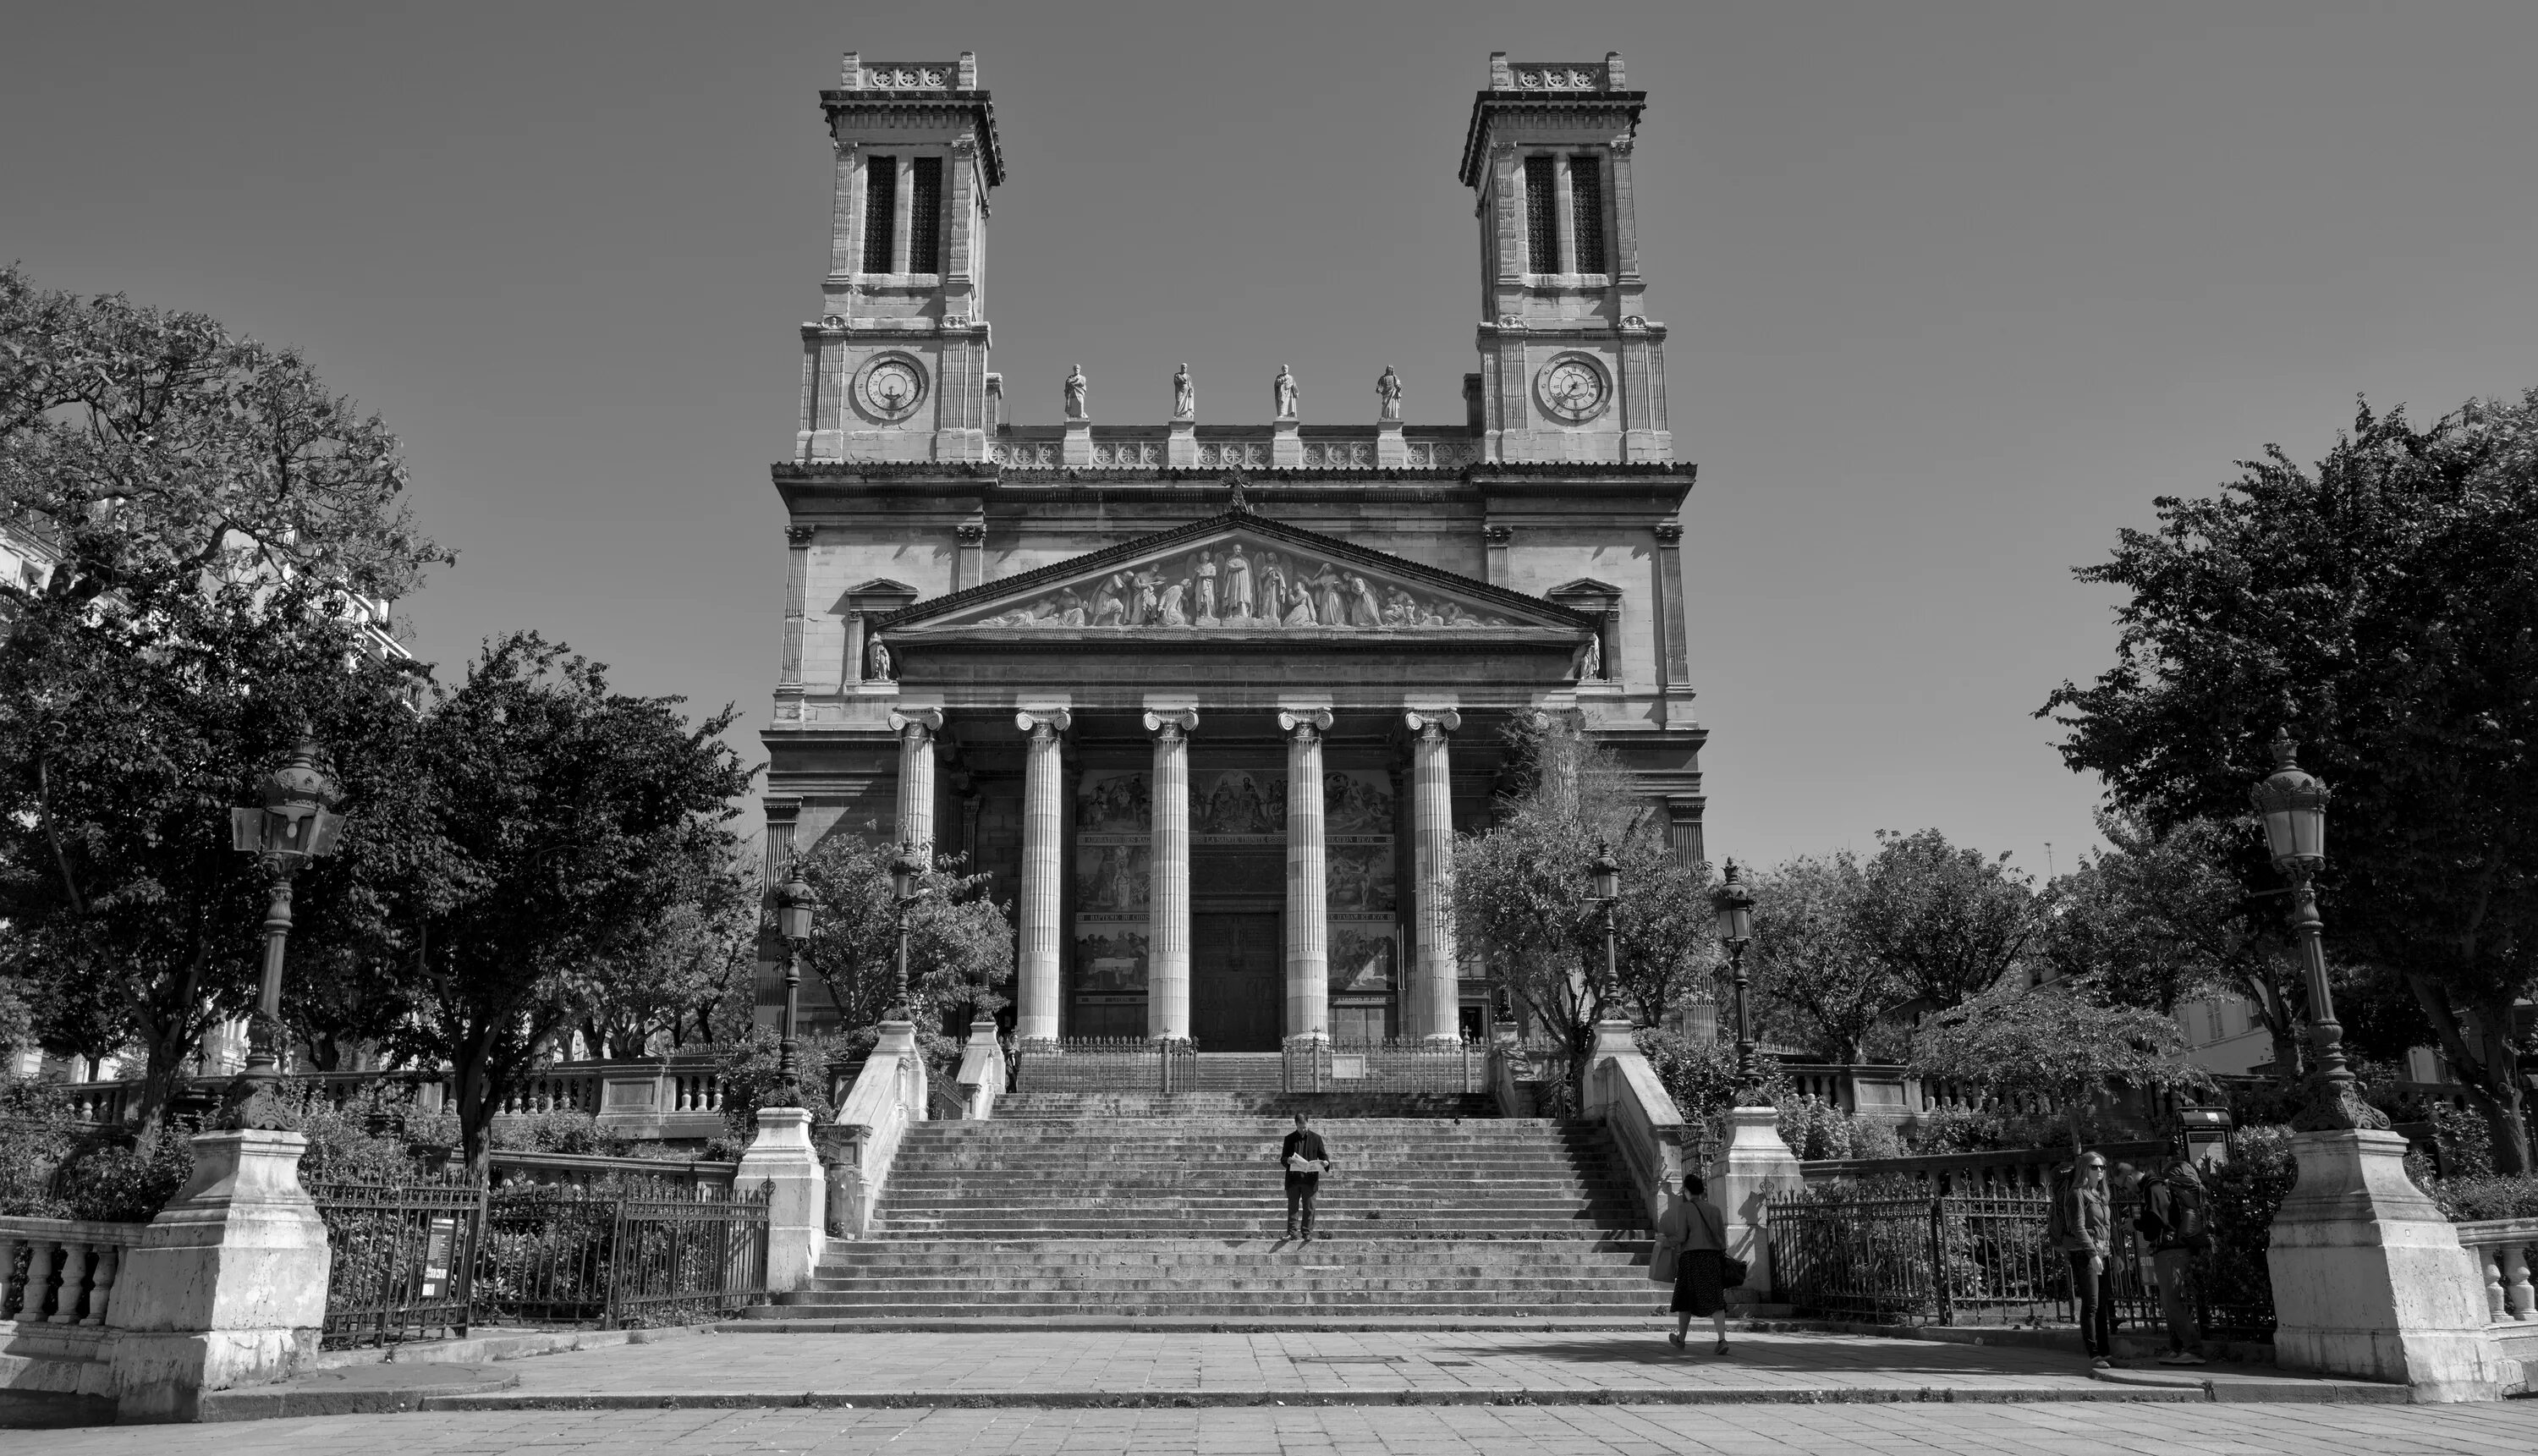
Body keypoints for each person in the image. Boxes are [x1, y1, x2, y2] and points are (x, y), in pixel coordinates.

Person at [2047, 1151, 2116, 1368]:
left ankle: (2105, 1353)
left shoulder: (2101, 1194)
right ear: (2084, 1169)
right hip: (2085, 1254)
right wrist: (2092, 1254)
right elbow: (2078, 1227)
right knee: (2092, 1304)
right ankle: (2094, 1353)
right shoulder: (2078, 1194)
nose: (2100, 1171)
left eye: (2102, 1167)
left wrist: (2115, 1254)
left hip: (2103, 1252)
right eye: (2095, 1167)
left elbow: (2106, 1228)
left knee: (2103, 1304)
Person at [2142, 1158, 2211, 1365]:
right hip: (2190, 1246)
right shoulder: (2195, 1188)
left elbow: (2163, 1221)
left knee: (2170, 1301)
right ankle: (2177, 1348)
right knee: (2174, 1300)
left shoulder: (2168, 1187)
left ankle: (2192, 1349)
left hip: (2172, 1250)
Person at [1656, 1173, 1731, 1355]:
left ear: (1687, 1191)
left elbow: (1681, 1237)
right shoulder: (1715, 1210)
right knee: (1716, 1300)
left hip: (1692, 1258)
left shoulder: (1685, 1209)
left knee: (1685, 1300)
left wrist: (1665, 1242)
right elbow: (1722, 1239)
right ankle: (1722, 1339)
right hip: (1712, 1257)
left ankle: (1681, 1339)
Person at [1280, 1113, 1335, 1241]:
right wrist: (1287, 1160)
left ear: (1308, 1124)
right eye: (1300, 1128)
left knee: (1309, 1208)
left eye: (1304, 1127)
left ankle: (1307, 1233)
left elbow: (1323, 1156)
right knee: (1292, 1207)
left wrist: (1325, 1163)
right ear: (1296, 1125)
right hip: (1294, 1179)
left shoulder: (1316, 1138)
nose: (1303, 1130)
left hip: (1310, 1179)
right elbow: (1283, 1158)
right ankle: (1292, 1233)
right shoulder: (1289, 1139)